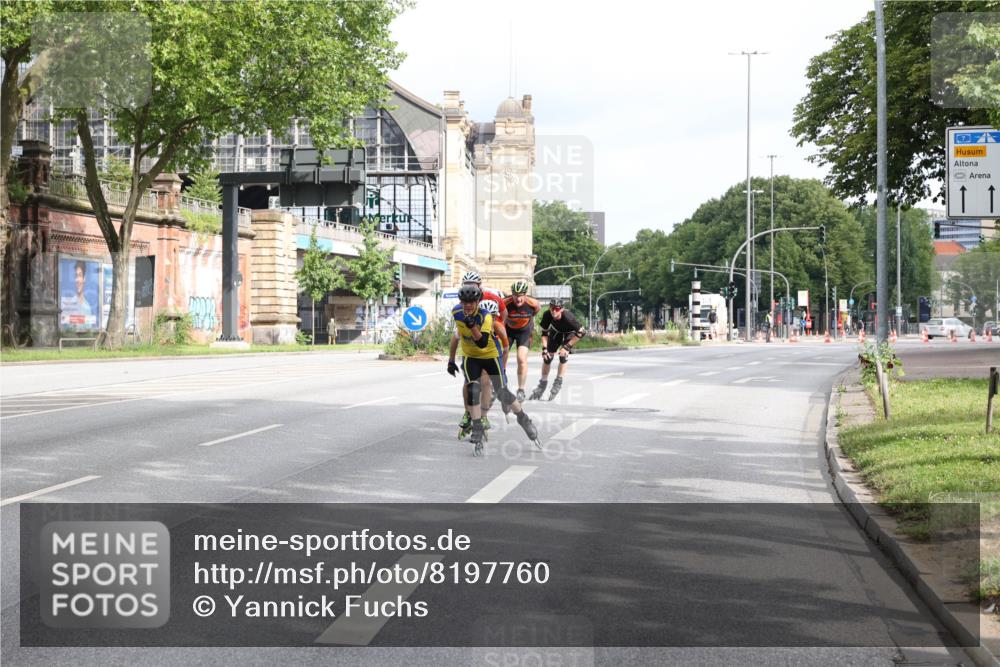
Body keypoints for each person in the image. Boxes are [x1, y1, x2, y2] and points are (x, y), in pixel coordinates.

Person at [447, 285, 539, 455]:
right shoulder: (456, 312)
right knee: (473, 389)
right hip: (470, 357)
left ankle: (523, 419)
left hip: (489, 356)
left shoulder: (485, 316)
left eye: (471, 302)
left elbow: (481, 342)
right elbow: (456, 336)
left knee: (502, 392)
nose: (468, 306)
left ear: (478, 302)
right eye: (464, 302)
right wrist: (451, 361)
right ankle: (476, 428)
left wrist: (472, 326)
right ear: (460, 302)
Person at [529, 298, 586, 401]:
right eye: (552, 308)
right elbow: (544, 333)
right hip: (556, 332)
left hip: (570, 333)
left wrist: (567, 347)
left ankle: (558, 382)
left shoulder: (568, 317)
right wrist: (544, 349)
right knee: (547, 358)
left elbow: (582, 332)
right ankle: (543, 383)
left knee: (563, 356)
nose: (554, 311)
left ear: (561, 309)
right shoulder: (547, 315)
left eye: (557, 308)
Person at [503, 280, 541, 402]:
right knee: (501, 356)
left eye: (521, 295)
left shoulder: (533, 304)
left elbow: (536, 311)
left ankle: (521, 389)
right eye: (515, 295)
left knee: (521, 359)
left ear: (525, 295)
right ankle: (500, 384)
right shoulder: (505, 303)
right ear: (512, 294)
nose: (518, 298)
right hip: (508, 331)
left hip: (524, 331)